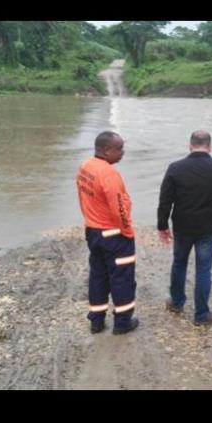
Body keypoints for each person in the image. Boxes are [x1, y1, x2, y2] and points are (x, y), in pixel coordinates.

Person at [157, 130, 212, 325]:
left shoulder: (175, 168)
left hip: (183, 226)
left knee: (179, 263)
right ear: (209, 147)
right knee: (203, 270)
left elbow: (165, 200)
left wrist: (162, 225)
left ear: (189, 145)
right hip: (207, 228)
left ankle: (176, 302)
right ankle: (201, 314)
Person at [75, 131, 139, 336]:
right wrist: (127, 232)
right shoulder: (109, 174)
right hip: (114, 235)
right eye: (118, 148)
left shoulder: (85, 166)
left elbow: (84, 199)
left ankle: (96, 321)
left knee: (98, 277)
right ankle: (122, 323)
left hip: (93, 232)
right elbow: (119, 209)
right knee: (122, 279)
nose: (122, 152)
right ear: (104, 150)